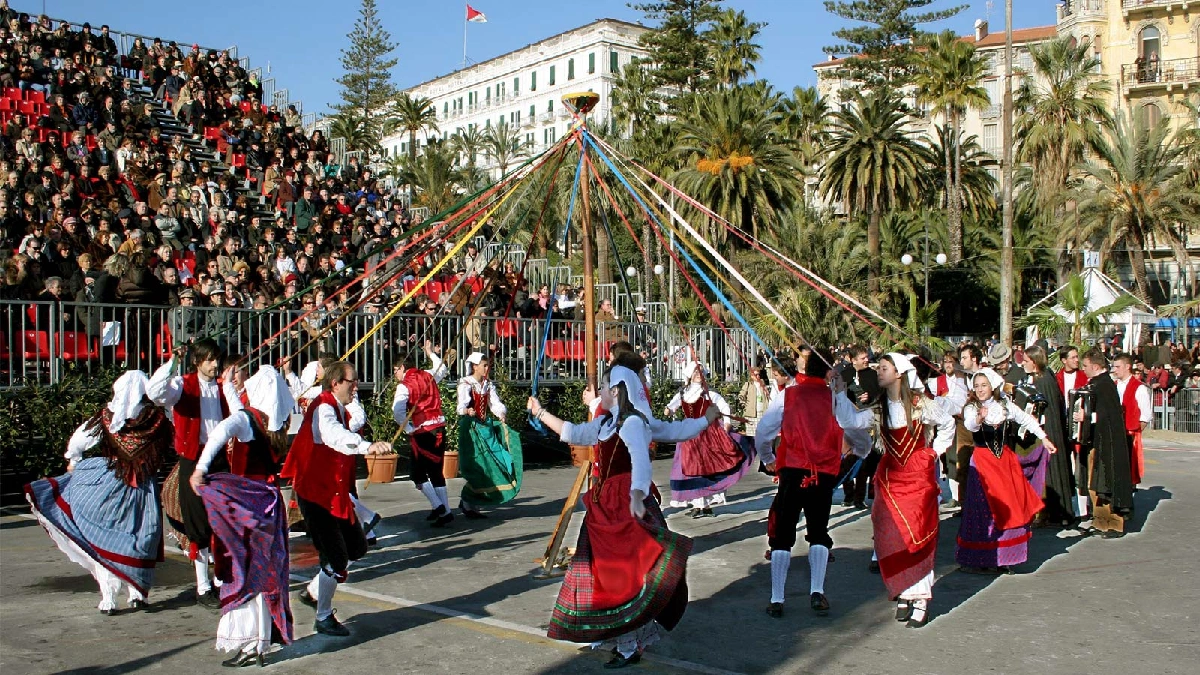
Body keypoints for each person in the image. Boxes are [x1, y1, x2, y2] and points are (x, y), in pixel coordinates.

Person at [528, 363, 697, 668]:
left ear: (617, 391)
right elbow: (572, 432)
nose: (600, 391)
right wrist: (540, 413)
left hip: (624, 503)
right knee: (607, 574)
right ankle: (625, 639)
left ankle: (630, 645)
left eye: (605, 386)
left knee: (624, 576)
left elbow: (641, 460)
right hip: (605, 502)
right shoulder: (605, 423)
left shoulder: (631, 424)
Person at [25, 371, 172, 615]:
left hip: (107, 485)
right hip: (140, 488)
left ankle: (110, 596)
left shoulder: (106, 417)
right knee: (140, 538)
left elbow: (79, 441)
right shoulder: (158, 419)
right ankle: (137, 593)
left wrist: (74, 461)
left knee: (103, 540)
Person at [190, 366, 295, 667]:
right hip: (269, 505)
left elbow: (223, 429)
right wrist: (226, 386)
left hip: (246, 506)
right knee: (262, 569)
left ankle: (251, 643)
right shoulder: (275, 423)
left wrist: (200, 469)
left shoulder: (248, 421)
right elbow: (238, 412)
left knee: (242, 568)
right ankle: (260, 640)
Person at [280, 361, 392, 637]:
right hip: (317, 496)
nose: (356, 386)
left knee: (356, 547)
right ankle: (323, 616)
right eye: (352, 381)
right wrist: (367, 445)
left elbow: (349, 426)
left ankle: (315, 590)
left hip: (334, 493)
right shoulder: (324, 408)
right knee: (336, 557)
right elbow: (334, 437)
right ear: (335, 383)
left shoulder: (338, 407)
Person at [754, 352, 863, 619]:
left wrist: (768, 458)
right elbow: (855, 425)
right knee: (818, 530)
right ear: (828, 373)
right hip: (823, 472)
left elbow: (763, 431)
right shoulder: (834, 398)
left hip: (792, 469)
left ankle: (777, 598)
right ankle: (817, 591)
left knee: (783, 531)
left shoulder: (788, 395)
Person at [859, 354, 959, 627]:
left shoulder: (920, 403)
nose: (878, 372)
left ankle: (921, 599)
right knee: (890, 533)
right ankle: (904, 590)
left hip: (917, 477)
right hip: (891, 478)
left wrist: (933, 452)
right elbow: (852, 422)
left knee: (918, 533)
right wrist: (836, 394)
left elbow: (948, 423)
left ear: (899, 373)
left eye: (883, 368)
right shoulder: (878, 407)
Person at [147, 338, 234, 608]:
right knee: (197, 525)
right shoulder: (182, 385)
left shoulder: (221, 388)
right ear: (196, 362)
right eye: (208, 359)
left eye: (216, 358)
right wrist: (172, 362)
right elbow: (155, 391)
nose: (214, 364)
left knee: (222, 520)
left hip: (218, 458)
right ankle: (202, 586)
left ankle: (221, 580)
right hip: (192, 459)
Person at [958, 368, 1057, 573]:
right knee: (983, 511)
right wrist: (978, 419)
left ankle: (1005, 557)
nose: (980, 389)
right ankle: (981, 559)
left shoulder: (1004, 406)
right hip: (983, 464)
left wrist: (1044, 438)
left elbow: (1026, 419)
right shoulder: (971, 408)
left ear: (992, 385)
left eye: (984, 385)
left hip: (1004, 462)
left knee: (1009, 507)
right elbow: (970, 426)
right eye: (977, 386)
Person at [663, 361, 751, 518]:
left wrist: (728, 423)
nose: (699, 375)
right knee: (691, 470)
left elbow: (724, 407)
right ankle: (697, 503)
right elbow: (671, 406)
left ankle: (707, 504)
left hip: (708, 435)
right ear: (689, 375)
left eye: (701, 372)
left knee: (707, 468)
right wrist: (668, 410)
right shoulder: (683, 393)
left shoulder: (709, 394)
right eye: (696, 372)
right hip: (689, 435)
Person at [1075, 349, 1134, 538]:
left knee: (1108, 481)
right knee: (1096, 484)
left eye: (1085, 366)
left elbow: (1109, 415)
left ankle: (1115, 523)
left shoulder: (1105, 386)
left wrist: (1087, 416)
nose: (1083, 369)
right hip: (1095, 441)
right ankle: (1100, 521)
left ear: (1095, 366)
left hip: (1108, 443)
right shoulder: (1096, 384)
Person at [456, 352, 522, 518]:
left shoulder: (487, 384)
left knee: (499, 460)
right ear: (475, 366)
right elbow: (460, 407)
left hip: (484, 427)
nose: (486, 368)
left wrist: (500, 413)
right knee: (480, 466)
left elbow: (494, 403)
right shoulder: (466, 384)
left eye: (487, 365)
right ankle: (469, 503)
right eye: (484, 365)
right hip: (471, 429)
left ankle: (469, 501)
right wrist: (466, 410)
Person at [392, 341, 451, 526]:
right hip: (440, 427)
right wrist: (431, 353)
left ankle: (440, 507)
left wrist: (409, 428)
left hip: (424, 431)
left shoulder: (404, 386)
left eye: (395, 370)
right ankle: (444, 510)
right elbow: (442, 369)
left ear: (402, 367)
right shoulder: (427, 375)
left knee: (417, 473)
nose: (395, 375)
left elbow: (397, 411)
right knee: (435, 471)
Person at [1022, 345, 1076, 527]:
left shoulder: (1044, 380)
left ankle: (1058, 514)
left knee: (1053, 472)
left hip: (1050, 432)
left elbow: (1049, 409)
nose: (1023, 363)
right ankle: (1048, 513)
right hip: (1045, 431)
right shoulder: (1040, 379)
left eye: (1026, 360)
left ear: (1035, 362)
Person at [1112, 353, 1151, 487]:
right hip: (1115, 433)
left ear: (1127, 366)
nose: (1114, 370)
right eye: (1114, 366)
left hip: (1130, 434)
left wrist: (1135, 432)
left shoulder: (1139, 388)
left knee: (1129, 469)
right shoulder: (1113, 385)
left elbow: (1145, 415)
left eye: (1118, 366)